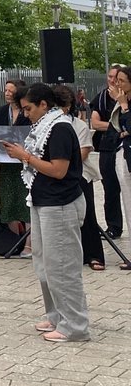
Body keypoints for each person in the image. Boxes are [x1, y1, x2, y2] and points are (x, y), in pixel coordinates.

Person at [1, 84, 90, 342]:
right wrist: (23, 155)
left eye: (28, 108)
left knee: (62, 266)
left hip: (60, 204)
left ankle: (75, 325)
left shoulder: (60, 128)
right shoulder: (41, 126)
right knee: (44, 264)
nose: (25, 113)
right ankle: (56, 315)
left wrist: (24, 156)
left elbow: (59, 170)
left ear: (43, 105)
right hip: (42, 201)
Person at [55, 85, 109, 271]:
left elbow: (83, 153)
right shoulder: (46, 126)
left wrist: (60, 161)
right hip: (54, 173)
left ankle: (94, 255)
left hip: (79, 174)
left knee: (87, 214)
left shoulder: (78, 126)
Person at [0, 80, 31, 242]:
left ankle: (29, 242)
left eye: (11, 90)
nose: (7, 93)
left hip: (25, 163)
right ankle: (14, 240)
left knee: (25, 202)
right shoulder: (1, 111)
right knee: (9, 201)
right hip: (7, 163)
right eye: (5, 90)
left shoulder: (28, 112)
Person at [89, 65, 123, 237]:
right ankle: (114, 227)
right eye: (109, 76)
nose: (111, 80)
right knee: (110, 188)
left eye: (116, 77)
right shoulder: (102, 96)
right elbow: (94, 123)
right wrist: (118, 126)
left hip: (124, 146)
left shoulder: (126, 97)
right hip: (107, 146)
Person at [108, 66, 131, 260]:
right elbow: (119, 127)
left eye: (122, 81)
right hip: (123, 153)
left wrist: (124, 105)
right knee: (128, 202)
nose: (118, 84)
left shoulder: (125, 102)